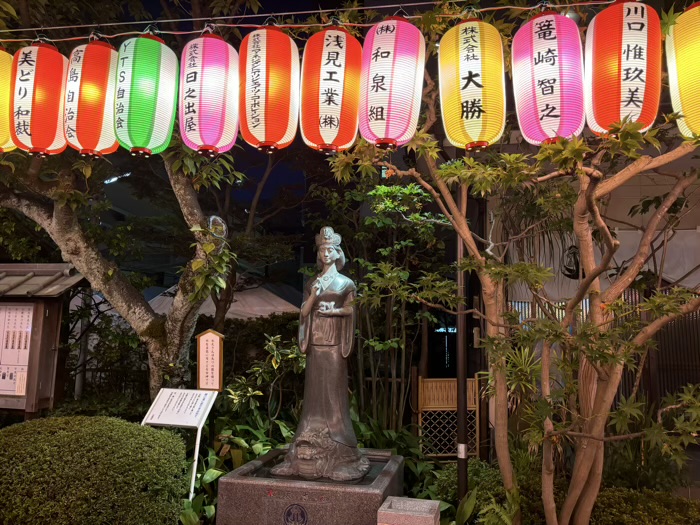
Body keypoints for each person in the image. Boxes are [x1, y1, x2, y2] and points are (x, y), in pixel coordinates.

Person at [271, 226, 370, 481]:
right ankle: (306, 438)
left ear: (337, 253)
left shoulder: (347, 283)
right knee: (314, 392)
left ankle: (340, 443)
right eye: (322, 249)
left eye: (330, 249)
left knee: (333, 393)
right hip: (316, 343)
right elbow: (303, 313)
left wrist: (334, 312)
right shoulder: (312, 283)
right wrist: (314, 296)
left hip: (334, 343)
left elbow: (351, 310)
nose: (326, 253)